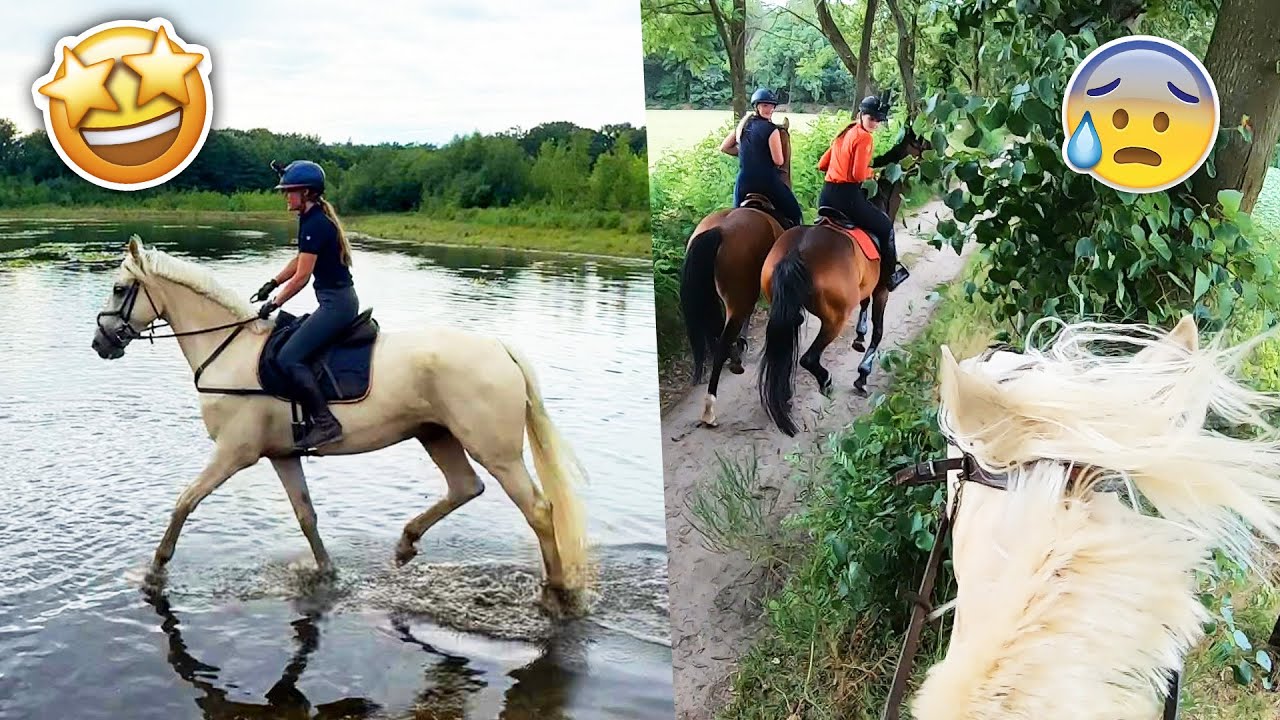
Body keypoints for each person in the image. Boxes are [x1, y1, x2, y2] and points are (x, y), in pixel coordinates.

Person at [250, 160, 358, 450]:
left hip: (337, 305)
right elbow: (300, 261)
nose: (286, 196)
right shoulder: (312, 218)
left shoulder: (315, 224)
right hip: (335, 301)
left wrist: (273, 304)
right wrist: (272, 282)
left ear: (307, 193)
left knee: (288, 357)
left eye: (290, 191)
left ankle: (326, 424)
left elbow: (301, 278)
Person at [817, 95, 909, 291]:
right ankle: (890, 275)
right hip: (847, 197)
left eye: (878, 120)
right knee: (885, 226)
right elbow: (858, 175)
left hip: (826, 195)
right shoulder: (864, 137)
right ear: (861, 115)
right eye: (871, 118)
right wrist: (872, 173)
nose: (874, 123)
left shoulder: (845, 132)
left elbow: (822, 164)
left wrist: (839, 167)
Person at [719, 88, 803, 228]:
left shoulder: (743, 126)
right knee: (795, 213)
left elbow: (724, 147)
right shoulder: (771, 129)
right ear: (756, 106)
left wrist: (749, 153)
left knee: (733, 218)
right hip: (766, 182)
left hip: (744, 182)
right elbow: (779, 161)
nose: (769, 109)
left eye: (771, 106)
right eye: (765, 105)